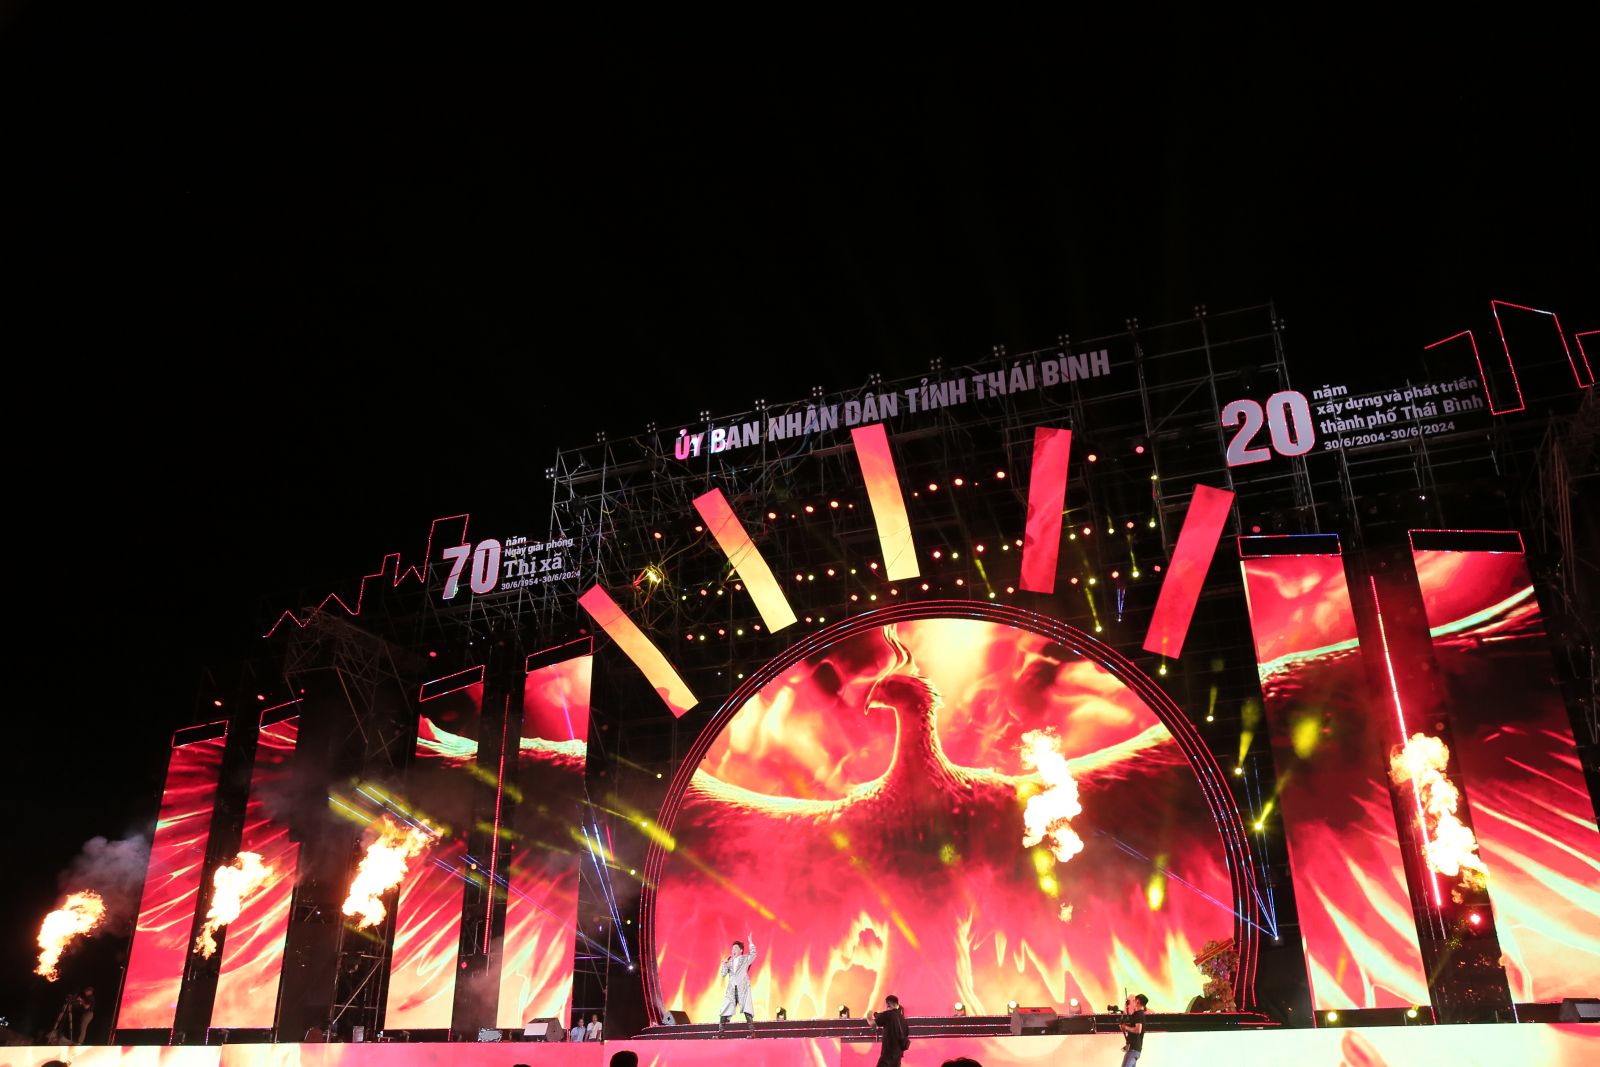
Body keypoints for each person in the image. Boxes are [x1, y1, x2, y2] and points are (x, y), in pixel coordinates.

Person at [716, 933, 757, 1035]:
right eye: (732, 948)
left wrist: (750, 942)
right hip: (731, 990)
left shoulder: (745, 959)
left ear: (741, 950)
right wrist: (724, 966)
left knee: (747, 1009)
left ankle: (752, 1032)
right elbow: (723, 974)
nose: (733, 950)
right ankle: (721, 1032)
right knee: (725, 1009)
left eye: (735, 948)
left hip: (743, 988)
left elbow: (753, 954)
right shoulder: (729, 961)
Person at [867, 994, 910, 1067]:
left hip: (887, 1056)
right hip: (898, 1057)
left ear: (888, 1004)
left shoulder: (888, 1014)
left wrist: (869, 1014)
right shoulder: (903, 1020)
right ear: (897, 1004)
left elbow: (872, 1023)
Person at [1118, 994, 1148, 1066]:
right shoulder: (1138, 1014)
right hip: (1134, 1049)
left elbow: (1138, 1030)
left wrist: (1125, 1027)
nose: (1133, 1002)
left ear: (1138, 1001)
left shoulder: (1139, 1014)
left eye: (1134, 1000)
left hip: (1133, 1049)